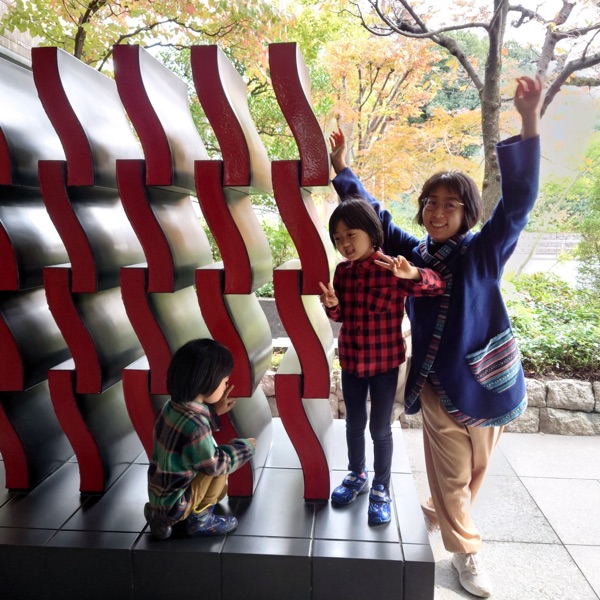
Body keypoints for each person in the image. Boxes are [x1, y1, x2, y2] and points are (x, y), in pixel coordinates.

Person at [329, 75, 543, 597]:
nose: (437, 211)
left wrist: (529, 121)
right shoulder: (411, 252)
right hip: (437, 383)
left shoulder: (483, 252)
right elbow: (373, 218)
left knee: (476, 468)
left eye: (450, 204)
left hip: (488, 380)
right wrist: (342, 170)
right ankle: (466, 551)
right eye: (430, 202)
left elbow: (517, 204)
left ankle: (437, 510)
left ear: (467, 212)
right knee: (452, 472)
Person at [319, 197, 446, 526]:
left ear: (372, 233)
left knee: (380, 427)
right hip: (351, 362)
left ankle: (380, 487)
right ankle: (356, 474)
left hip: (385, 364)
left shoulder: (392, 268)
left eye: (351, 235)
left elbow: (436, 286)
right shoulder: (342, 272)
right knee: (353, 423)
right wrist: (332, 305)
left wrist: (413, 273)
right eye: (338, 238)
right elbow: (341, 316)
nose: (345, 244)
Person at [144, 338, 256, 540]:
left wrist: (212, 412)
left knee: (207, 460)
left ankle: (159, 516)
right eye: (224, 382)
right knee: (220, 465)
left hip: (159, 495)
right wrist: (244, 448)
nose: (226, 386)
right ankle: (200, 519)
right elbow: (215, 465)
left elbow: (187, 433)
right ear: (207, 382)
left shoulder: (169, 407)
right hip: (178, 504)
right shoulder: (198, 427)